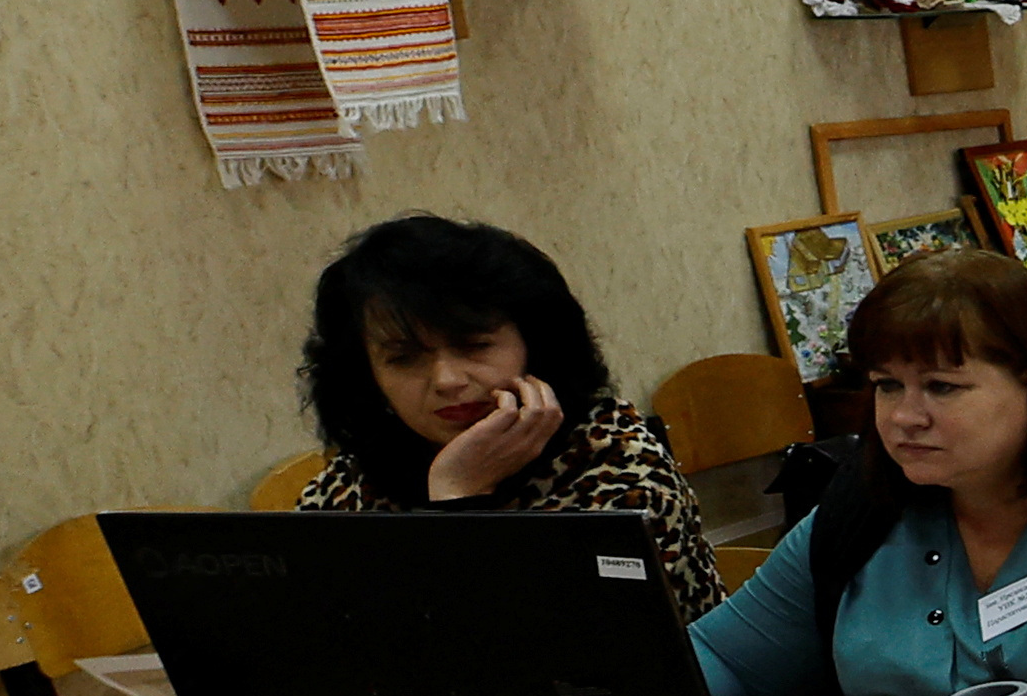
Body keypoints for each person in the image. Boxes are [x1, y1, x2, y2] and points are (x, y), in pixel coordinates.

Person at [694, 249, 1027, 696]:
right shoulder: (862, 508)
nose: (903, 417)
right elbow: (727, 662)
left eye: (942, 387)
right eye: (887, 385)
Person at [289, 213, 715, 618]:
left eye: (474, 346)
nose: (447, 380)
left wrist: (458, 496)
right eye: (403, 358)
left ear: (536, 346)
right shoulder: (350, 484)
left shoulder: (618, 464)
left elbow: (537, 656)